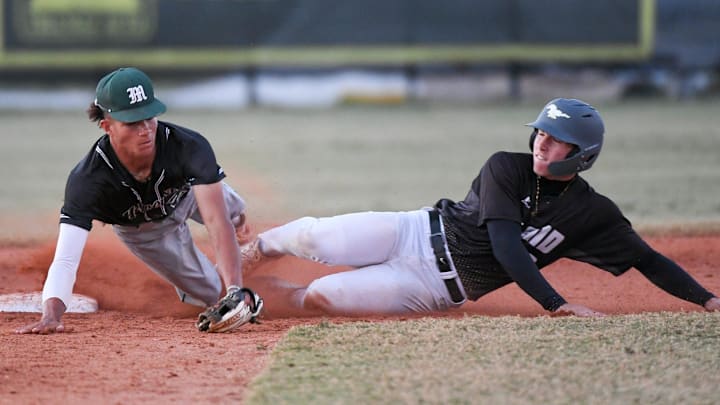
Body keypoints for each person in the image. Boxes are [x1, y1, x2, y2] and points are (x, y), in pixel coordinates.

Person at [240, 98, 720, 317]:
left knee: (325, 297)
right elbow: (505, 245)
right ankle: (251, 254)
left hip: (431, 287)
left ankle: (266, 299)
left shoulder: (594, 214)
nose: (543, 144)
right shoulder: (505, 167)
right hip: (411, 231)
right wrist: (554, 304)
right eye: (542, 133)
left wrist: (708, 299)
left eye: (557, 142)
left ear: (582, 156)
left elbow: (648, 259)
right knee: (313, 237)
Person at [16, 67, 262, 334]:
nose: (145, 130)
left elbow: (215, 221)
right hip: (147, 231)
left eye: (149, 117)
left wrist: (236, 290)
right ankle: (220, 272)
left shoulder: (187, 145)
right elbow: (66, 259)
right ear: (107, 126)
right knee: (212, 290)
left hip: (187, 194)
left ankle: (240, 237)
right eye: (132, 122)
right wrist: (52, 315)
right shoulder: (88, 180)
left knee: (231, 213)